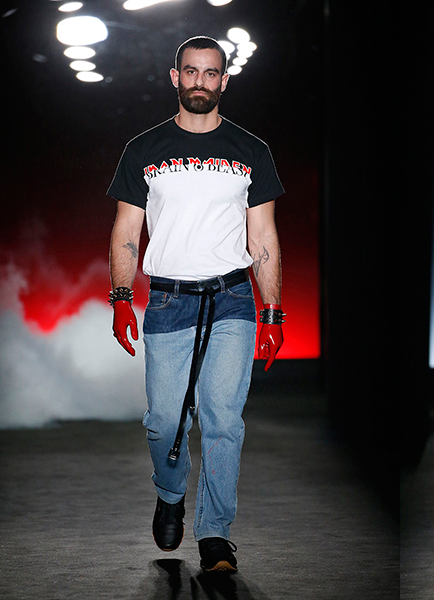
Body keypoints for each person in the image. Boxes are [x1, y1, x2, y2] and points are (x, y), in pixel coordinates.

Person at [107, 35, 285, 573]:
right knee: (165, 422)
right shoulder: (144, 149)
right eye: (191, 71)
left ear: (224, 81)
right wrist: (121, 299)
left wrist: (272, 312)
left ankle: (214, 535)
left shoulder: (251, 150)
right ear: (175, 77)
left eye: (210, 73)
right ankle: (170, 493)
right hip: (168, 300)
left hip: (232, 298)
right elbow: (126, 232)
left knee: (223, 420)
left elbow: (264, 237)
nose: (200, 81)